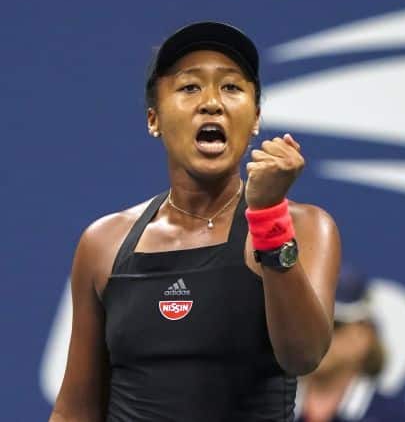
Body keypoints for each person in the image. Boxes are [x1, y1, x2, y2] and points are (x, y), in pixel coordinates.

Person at [49, 22, 341, 422]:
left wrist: (269, 216)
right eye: (189, 87)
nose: (212, 103)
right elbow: (75, 412)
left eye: (232, 88)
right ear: (154, 119)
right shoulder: (103, 244)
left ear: (255, 118)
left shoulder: (307, 226)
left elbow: (303, 354)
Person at [296, 266, 405, 422]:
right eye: (307, 321)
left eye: (334, 325)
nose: (315, 335)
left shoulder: (399, 418)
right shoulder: (263, 407)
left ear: (364, 337)